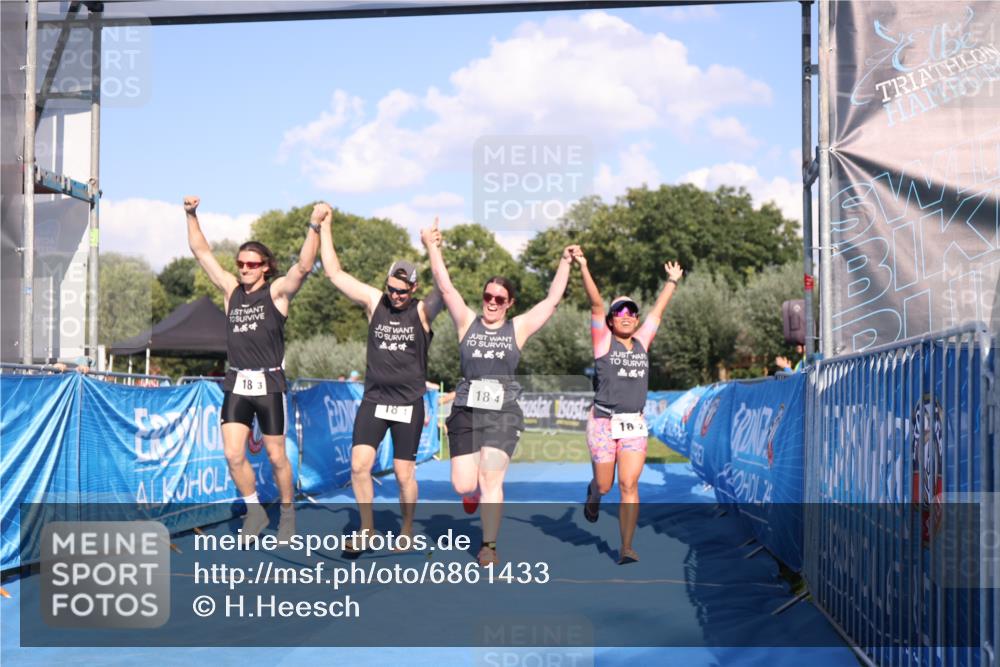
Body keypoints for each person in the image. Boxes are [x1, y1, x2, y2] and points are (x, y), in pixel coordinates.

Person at [421, 218, 578, 566]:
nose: (492, 302)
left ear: (509, 303)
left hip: (503, 412)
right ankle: (473, 493)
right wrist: (432, 247)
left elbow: (551, 301)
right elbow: (446, 289)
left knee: (492, 477)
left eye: (499, 298)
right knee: (464, 486)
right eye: (488, 296)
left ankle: (488, 545)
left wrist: (565, 263)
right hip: (465, 410)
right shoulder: (467, 322)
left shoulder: (517, 328)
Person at [185, 195, 328, 542]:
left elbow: (304, 267)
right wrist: (190, 215)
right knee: (233, 454)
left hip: (268, 382)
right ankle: (255, 511)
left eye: (252, 264)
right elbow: (202, 252)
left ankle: (288, 514)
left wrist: (314, 226)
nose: (245, 268)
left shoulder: (277, 293)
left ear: (265, 266)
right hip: (237, 381)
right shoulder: (231, 291)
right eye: (241, 263)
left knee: (277, 456)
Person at [319, 213, 443, 550]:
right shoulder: (375, 302)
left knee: (404, 475)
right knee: (359, 466)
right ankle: (367, 529)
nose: (396, 296)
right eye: (392, 289)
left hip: (408, 404)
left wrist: (433, 248)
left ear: (413, 288)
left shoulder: (420, 311)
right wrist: (324, 227)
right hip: (375, 400)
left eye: (402, 291)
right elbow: (334, 273)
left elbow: (444, 291)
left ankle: (405, 527)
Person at [576, 249, 683, 564]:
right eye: (619, 310)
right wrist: (584, 265)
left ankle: (626, 546)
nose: (626, 314)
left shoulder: (642, 342)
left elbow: (658, 313)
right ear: (610, 320)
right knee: (607, 484)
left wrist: (671, 282)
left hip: (633, 423)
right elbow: (595, 303)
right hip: (602, 423)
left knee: (629, 483)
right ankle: (593, 493)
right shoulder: (603, 342)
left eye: (631, 311)